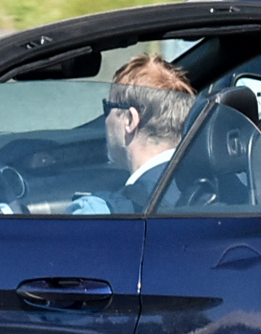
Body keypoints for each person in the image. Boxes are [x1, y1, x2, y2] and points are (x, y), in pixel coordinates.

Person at [71, 54, 194, 215]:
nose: (106, 120)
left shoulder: (100, 212)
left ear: (130, 120)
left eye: (108, 108)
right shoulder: (218, 188)